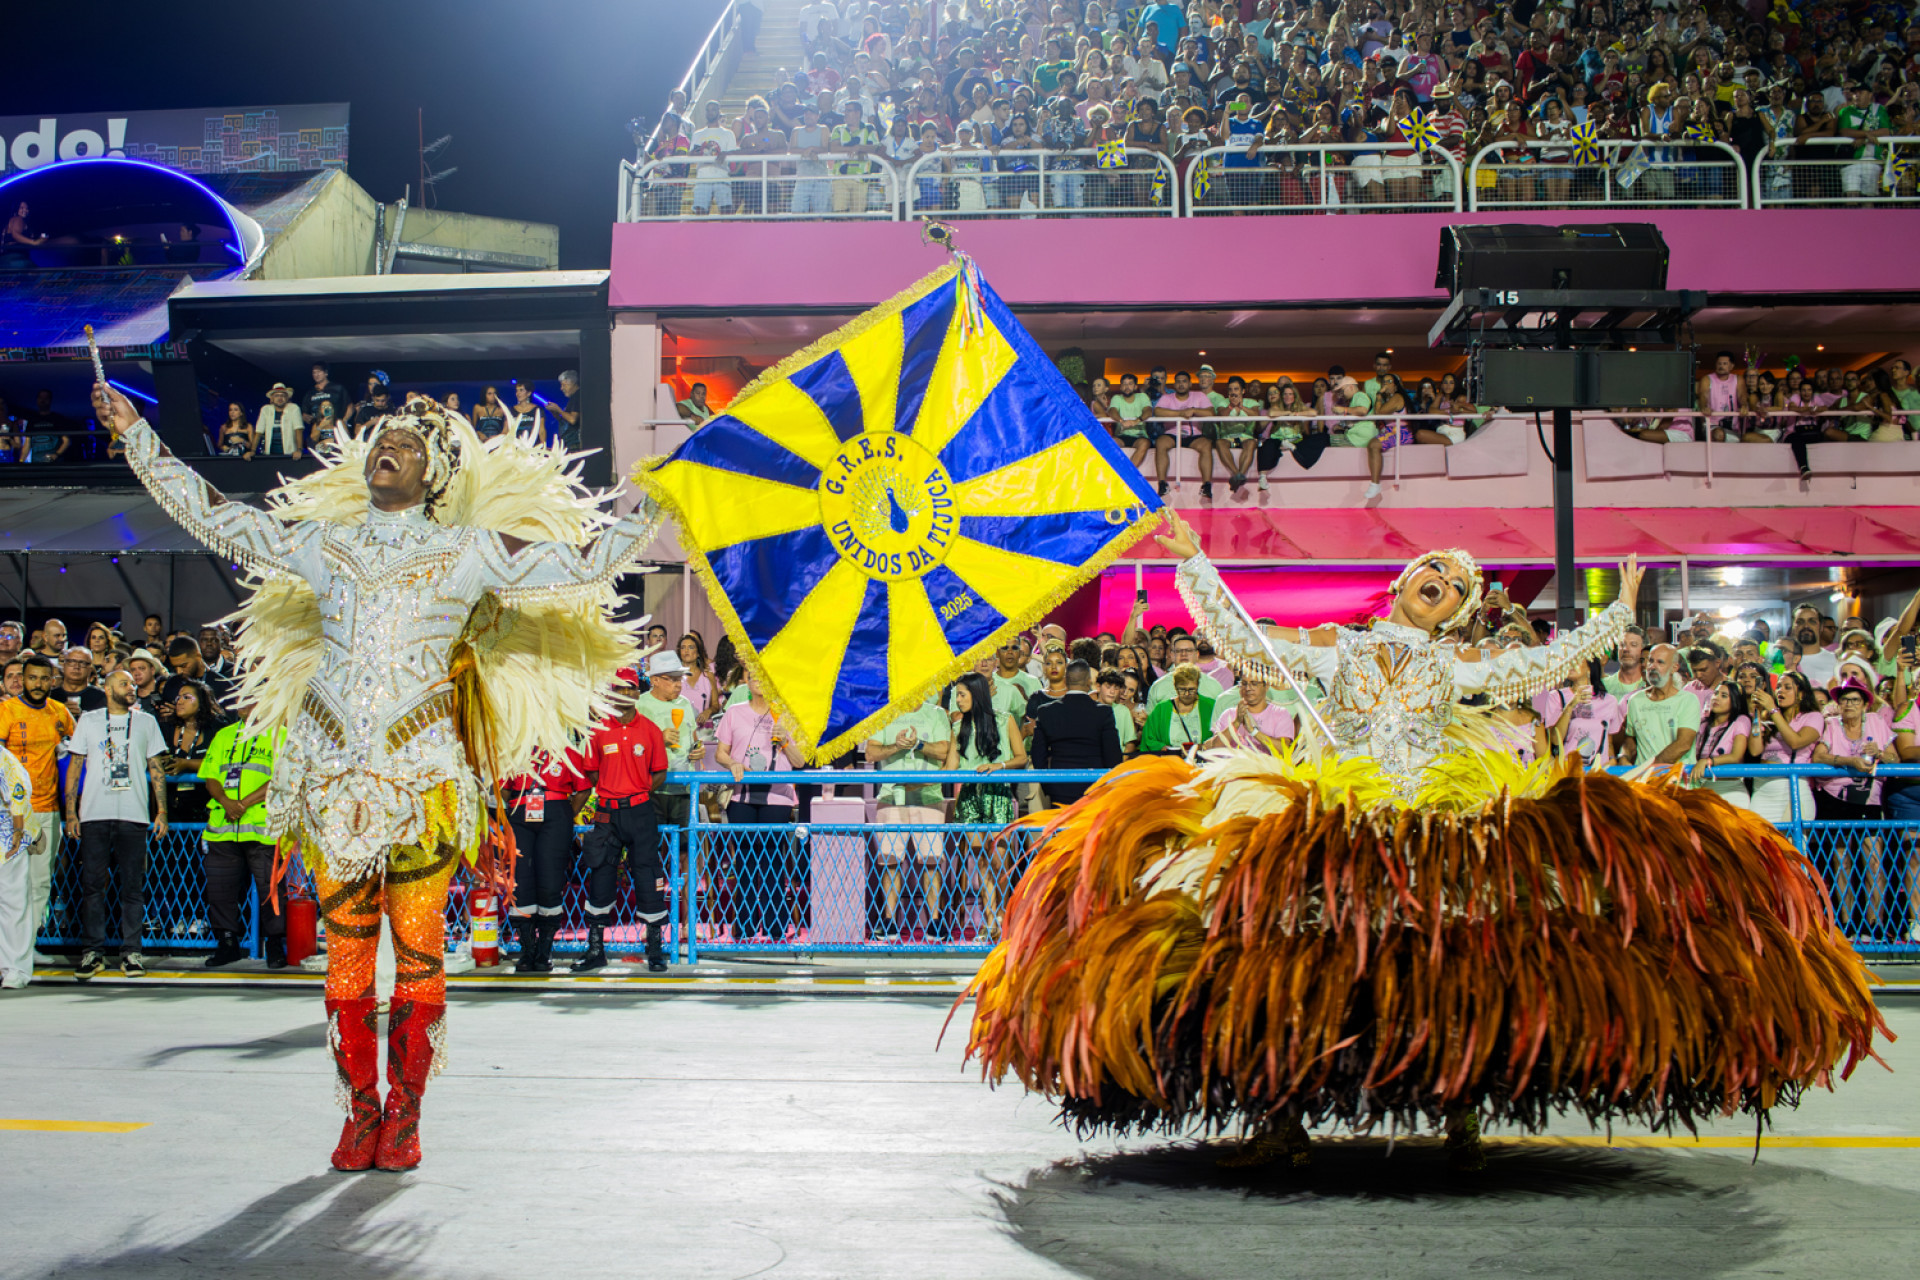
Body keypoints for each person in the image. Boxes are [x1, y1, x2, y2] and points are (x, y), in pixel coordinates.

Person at [968, 513, 1884, 1175]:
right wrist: (1195, 565)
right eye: (1424, 573)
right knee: (1289, 966)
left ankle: (1459, 1109)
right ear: (1404, 589)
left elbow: (1544, 665)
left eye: (1453, 580)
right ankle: (1280, 1114)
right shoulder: (1336, 649)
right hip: (1335, 826)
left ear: (1459, 607)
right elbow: (1243, 645)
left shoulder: (1466, 665)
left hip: (1438, 830)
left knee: (1454, 969)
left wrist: (1618, 615)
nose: (1435, 580)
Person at [97, 382, 662, 1172]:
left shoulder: (470, 551)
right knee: (346, 960)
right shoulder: (322, 544)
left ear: (434, 474)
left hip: (424, 786)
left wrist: (663, 495)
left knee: (421, 951)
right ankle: (361, 1110)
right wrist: (137, 437)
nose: (387, 446)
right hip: (329, 786)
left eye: (408, 441)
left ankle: (407, 1116)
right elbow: (219, 516)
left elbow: (585, 561)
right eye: (380, 437)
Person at [65, 670, 169, 980]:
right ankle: (92, 952)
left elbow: (156, 768)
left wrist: (161, 811)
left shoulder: (146, 722)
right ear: (108, 689)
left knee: (132, 888)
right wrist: (71, 812)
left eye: (134, 684)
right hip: (95, 814)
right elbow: (75, 766)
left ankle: (131, 952)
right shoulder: (90, 720)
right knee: (93, 887)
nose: (132, 688)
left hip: (134, 815)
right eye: (125, 683)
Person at [573, 666, 673, 972]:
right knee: (601, 871)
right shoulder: (599, 730)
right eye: (619, 688)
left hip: (641, 811)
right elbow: (591, 771)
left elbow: (660, 773)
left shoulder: (651, 730)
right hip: (607, 811)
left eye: (630, 688)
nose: (625, 694)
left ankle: (655, 950)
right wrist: (614, 789)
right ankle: (595, 950)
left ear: (637, 693)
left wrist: (636, 790)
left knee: (647, 873)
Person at [714, 672, 804, 944]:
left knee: (774, 864)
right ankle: (744, 926)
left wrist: (786, 740)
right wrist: (732, 764)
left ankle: (776, 927)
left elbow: (799, 762)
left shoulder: (788, 714)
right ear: (746, 681)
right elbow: (720, 753)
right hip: (742, 795)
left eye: (764, 676)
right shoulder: (734, 712)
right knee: (745, 864)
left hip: (777, 796)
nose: (758, 681)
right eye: (753, 676)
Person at [0, 655, 75, 969]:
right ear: (22, 679)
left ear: (53, 680)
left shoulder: (60, 713)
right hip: (11, 814)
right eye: (32, 678)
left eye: (45, 679)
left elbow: (75, 757)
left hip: (48, 810)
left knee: (40, 883)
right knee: (9, 888)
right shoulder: (5, 711)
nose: (38, 685)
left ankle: (24, 950)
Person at [198, 708, 286, 969]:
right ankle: (227, 944)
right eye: (242, 700)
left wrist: (242, 804)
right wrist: (225, 802)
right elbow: (210, 777)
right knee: (220, 890)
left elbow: (281, 777)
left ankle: (274, 945)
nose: (246, 706)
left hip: (261, 827)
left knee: (270, 891)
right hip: (223, 827)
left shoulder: (279, 734)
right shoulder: (224, 735)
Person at [1812, 680, 1901, 936]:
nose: (1848, 704)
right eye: (1844, 700)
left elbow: (1895, 758)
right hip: (1834, 798)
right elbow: (1819, 757)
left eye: (1854, 700)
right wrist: (1848, 761)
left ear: (1865, 705)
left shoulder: (1876, 722)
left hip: (1868, 800)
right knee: (1841, 862)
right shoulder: (1830, 725)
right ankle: (1848, 924)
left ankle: (1875, 926)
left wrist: (1881, 754)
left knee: (1873, 861)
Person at [865, 693, 952, 943]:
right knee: (891, 861)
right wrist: (897, 746)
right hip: (892, 797)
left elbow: (944, 751)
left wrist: (918, 745)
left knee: (932, 862)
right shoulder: (884, 713)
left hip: (929, 796)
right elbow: (871, 753)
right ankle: (889, 922)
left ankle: (934, 922)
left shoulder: (936, 713)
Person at [948, 671, 1026, 940]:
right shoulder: (958, 727)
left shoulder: (1005, 720)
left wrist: (999, 766)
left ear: (977, 695)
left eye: (961, 695)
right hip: (969, 797)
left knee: (999, 863)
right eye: (956, 695)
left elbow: (1021, 757)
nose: (957, 700)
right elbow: (950, 767)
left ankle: (1003, 918)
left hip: (998, 795)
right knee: (981, 861)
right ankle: (989, 921)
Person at [501, 747, 590, 974]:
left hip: (556, 814)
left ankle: (544, 950)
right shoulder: (514, 748)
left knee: (551, 882)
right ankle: (527, 950)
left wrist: (564, 814)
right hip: (520, 812)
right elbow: (502, 788)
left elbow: (583, 790)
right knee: (520, 880)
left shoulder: (569, 751)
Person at [1028, 660, 1122, 808]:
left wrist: (1048, 786)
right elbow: (1113, 756)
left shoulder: (1046, 712)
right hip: (1095, 789)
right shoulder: (1103, 712)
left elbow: (1038, 755)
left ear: (1066, 681)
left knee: (1062, 831)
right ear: (1089, 682)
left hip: (1059, 788)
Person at [1617, 643, 1701, 767]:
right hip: (1644, 782)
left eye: (1660, 662)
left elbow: (1683, 744)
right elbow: (1631, 739)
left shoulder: (1688, 700)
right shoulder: (1635, 700)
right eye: (1650, 661)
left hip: (1676, 781)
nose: (1652, 667)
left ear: (1674, 668)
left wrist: (1649, 769)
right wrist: (1623, 756)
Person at [0, 741, 34, 989]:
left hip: (7, 838)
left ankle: (16, 968)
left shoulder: (4, 758)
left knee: (13, 903)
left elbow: (19, 792)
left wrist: (19, 829)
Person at [1693, 681, 1753, 809]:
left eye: (1724, 695)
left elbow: (1736, 756)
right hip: (1705, 788)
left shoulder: (1741, 721)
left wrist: (1708, 761)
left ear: (1735, 701)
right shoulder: (1703, 723)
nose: (1716, 698)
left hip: (1731, 790)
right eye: (1716, 693)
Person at [255, 384, 304, 458]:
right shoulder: (265, 409)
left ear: (287, 398)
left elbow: (298, 430)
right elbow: (259, 431)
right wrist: (252, 451)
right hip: (270, 454)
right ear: (272, 398)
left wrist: (299, 450)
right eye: (277, 395)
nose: (280, 398)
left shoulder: (294, 408)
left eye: (283, 395)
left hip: (289, 454)